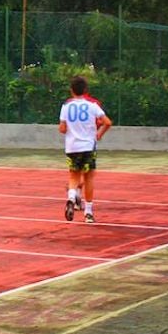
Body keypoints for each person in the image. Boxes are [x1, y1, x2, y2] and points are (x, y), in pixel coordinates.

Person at [58, 75, 111, 224]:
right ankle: (88, 213)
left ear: (71, 90)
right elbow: (107, 122)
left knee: (73, 177)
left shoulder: (66, 106)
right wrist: (98, 134)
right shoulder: (92, 105)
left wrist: (69, 128)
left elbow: (62, 128)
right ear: (86, 89)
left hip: (72, 147)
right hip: (88, 146)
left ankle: (71, 198)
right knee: (89, 178)